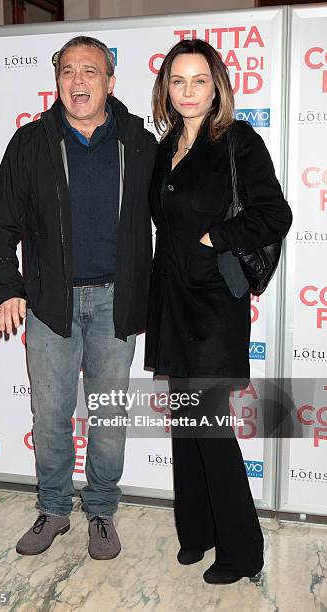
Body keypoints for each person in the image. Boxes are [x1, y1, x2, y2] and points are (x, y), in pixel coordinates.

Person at [0, 35, 157, 560]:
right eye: (68, 72)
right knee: (51, 415)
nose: (78, 82)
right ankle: (54, 509)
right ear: (56, 80)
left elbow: (174, 218)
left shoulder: (139, 143)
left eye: (91, 72)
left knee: (107, 417)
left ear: (110, 81)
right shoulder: (30, 143)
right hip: (50, 307)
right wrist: (8, 289)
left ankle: (101, 511)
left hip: (114, 304)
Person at [145, 39, 292, 584]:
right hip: (171, 301)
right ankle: (198, 532)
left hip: (211, 304)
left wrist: (214, 238)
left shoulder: (237, 140)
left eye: (199, 80)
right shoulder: (165, 146)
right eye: (178, 81)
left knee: (209, 426)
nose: (188, 91)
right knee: (186, 423)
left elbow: (275, 213)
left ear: (217, 86)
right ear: (166, 88)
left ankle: (242, 550)